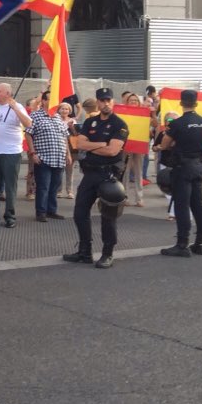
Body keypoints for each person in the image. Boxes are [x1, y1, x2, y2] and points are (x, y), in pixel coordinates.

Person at [62, 88, 129, 269]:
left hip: (108, 176)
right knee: (80, 212)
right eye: (102, 100)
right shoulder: (91, 121)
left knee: (108, 216)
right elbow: (79, 144)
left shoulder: (119, 124)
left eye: (108, 100)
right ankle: (85, 251)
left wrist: (90, 146)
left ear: (112, 102)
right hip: (90, 173)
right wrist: (100, 144)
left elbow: (113, 151)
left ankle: (108, 253)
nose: (105, 103)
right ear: (98, 102)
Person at [156, 89, 202, 257]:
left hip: (182, 168)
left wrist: (158, 146)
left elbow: (164, 145)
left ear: (181, 103)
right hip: (199, 167)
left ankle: (182, 244)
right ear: (196, 103)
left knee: (181, 205)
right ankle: (200, 243)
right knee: (198, 204)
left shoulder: (177, 124)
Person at [0, 83, 32, 228]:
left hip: (11, 153)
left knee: (10, 186)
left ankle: (10, 216)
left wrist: (15, 108)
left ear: (8, 94)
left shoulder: (17, 107)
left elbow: (28, 124)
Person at [26, 97, 68, 221]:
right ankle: (41, 212)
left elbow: (64, 136)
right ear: (43, 101)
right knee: (43, 186)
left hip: (59, 157)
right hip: (43, 157)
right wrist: (33, 153)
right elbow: (28, 133)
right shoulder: (35, 115)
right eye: (50, 98)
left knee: (54, 186)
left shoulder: (58, 117)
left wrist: (68, 154)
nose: (53, 101)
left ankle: (51, 210)